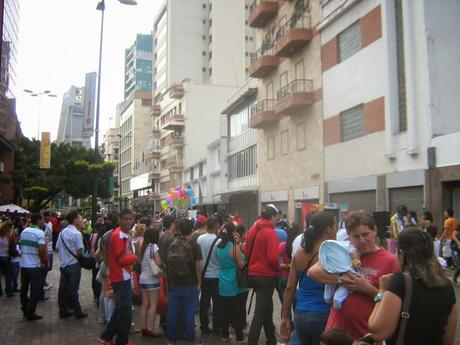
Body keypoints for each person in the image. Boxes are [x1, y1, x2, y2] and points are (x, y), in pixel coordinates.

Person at [309, 210, 399, 340]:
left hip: (366, 335)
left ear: (374, 230)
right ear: (349, 237)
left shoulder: (390, 261)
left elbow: (392, 308)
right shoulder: (344, 251)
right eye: (356, 236)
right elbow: (313, 272)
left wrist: (367, 289)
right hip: (335, 333)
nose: (362, 241)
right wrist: (343, 280)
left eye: (365, 234)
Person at [368, 228, 457, 345]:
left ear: (401, 253)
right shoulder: (447, 286)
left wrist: (381, 291)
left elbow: (377, 331)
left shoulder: (401, 281)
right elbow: (448, 340)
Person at [279, 212, 336, 345]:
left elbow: (290, 288)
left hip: (300, 315)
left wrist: (285, 318)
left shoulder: (299, 253)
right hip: (322, 315)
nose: (336, 230)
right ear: (328, 229)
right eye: (334, 226)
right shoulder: (330, 253)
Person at [98, 209, 138, 345]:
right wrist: (135, 257)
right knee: (125, 311)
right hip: (120, 277)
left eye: (130, 219)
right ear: (119, 220)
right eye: (126, 219)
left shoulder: (124, 234)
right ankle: (121, 340)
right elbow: (121, 259)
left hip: (121, 276)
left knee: (120, 308)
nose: (128, 221)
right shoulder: (119, 236)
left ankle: (106, 336)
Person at [245, 204, 280, 345]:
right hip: (266, 276)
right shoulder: (271, 233)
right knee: (260, 312)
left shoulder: (252, 229)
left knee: (267, 308)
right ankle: (252, 341)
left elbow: (247, 251)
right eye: (276, 218)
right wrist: (278, 267)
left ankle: (271, 339)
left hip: (253, 274)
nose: (277, 220)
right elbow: (273, 258)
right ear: (272, 217)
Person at [165, 218, 202, 345]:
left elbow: (167, 263)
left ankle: (171, 339)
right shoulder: (194, 245)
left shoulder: (172, 242)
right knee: (189, 313)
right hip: (190, 283)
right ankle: (190, 339)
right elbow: (198, 267)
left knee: (172, 312)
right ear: (192, 230)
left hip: (174, 283)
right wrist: (199, 283)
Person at [217, 222, 247, 344]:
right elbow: (241, 265)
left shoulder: (219, 247)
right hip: (234, 281)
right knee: (237, 312)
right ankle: (239, 338)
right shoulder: (234, 248)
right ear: (232, 233)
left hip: (222, 280)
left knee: (224, 311)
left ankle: (225, 335)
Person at [56, 211, 88, 319]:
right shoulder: (77, 234)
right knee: (73, 289)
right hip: (73, 264)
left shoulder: (62, 232)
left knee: (62, 289)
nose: (82, 220)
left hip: (64, 264)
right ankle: (77, 311)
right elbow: (80, 251)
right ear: (75, 220)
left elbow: (57, 247)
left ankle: (63, 310)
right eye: (80, 218)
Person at [19, 213, 47, 320]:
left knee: (24, 288)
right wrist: (42, 261)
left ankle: (25, 308)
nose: (43, 222)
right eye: (42, 220)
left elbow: (21, 245)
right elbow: (41, 248)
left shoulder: (24, 231)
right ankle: (31, 311)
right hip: (34, 265)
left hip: (24, 264)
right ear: (38, 220)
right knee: (36, 289)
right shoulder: (39, 232)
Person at [197, 216, 222, 336]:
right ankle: (217, 328)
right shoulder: (219, 241)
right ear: (217, 226)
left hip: (204, 275)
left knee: (204, 302)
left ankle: (204, 326)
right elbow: (220, 259)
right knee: (217, 303)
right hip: (216, 276)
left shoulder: (200, 239)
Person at [138, 227, 162, 337]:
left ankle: (143, 327)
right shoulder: (154, 246)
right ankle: (150, 328)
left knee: (144, 304)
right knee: (153, 305)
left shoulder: (142, 245)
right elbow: (158, 262)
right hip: (152, 279)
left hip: (142, 278)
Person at [0, 222, 14, 297]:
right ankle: (9, 291)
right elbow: (13, 244)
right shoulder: (9, 235)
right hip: (6, 257)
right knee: (9, 275)